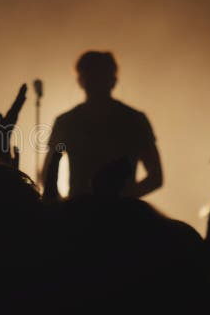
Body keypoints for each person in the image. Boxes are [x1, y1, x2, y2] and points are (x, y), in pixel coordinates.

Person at [41, 51, 163, 202]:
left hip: (79, 215)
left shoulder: (66, 122)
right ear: (114, 80)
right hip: (123, 215)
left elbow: (48, 172)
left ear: (80, 81)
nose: (96, 81)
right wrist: (124, 200)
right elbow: (156, 177)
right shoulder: (135, 120)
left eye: (100, 75)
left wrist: (65, 207)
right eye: (93, 76)